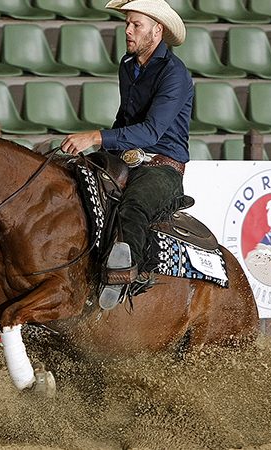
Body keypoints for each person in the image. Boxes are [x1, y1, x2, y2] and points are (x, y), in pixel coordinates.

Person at [61, 0, 192, 309]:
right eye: (127, 24)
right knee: (71, 179)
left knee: (133, 206)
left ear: (157, 31)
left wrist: (94, 137)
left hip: (163, 167)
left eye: (136, 25)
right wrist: (98, 151)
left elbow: (151, 132)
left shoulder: (174, 73)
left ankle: (126, 276)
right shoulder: (128, 65)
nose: (128, 31)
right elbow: (125, 119)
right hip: (127, 160)